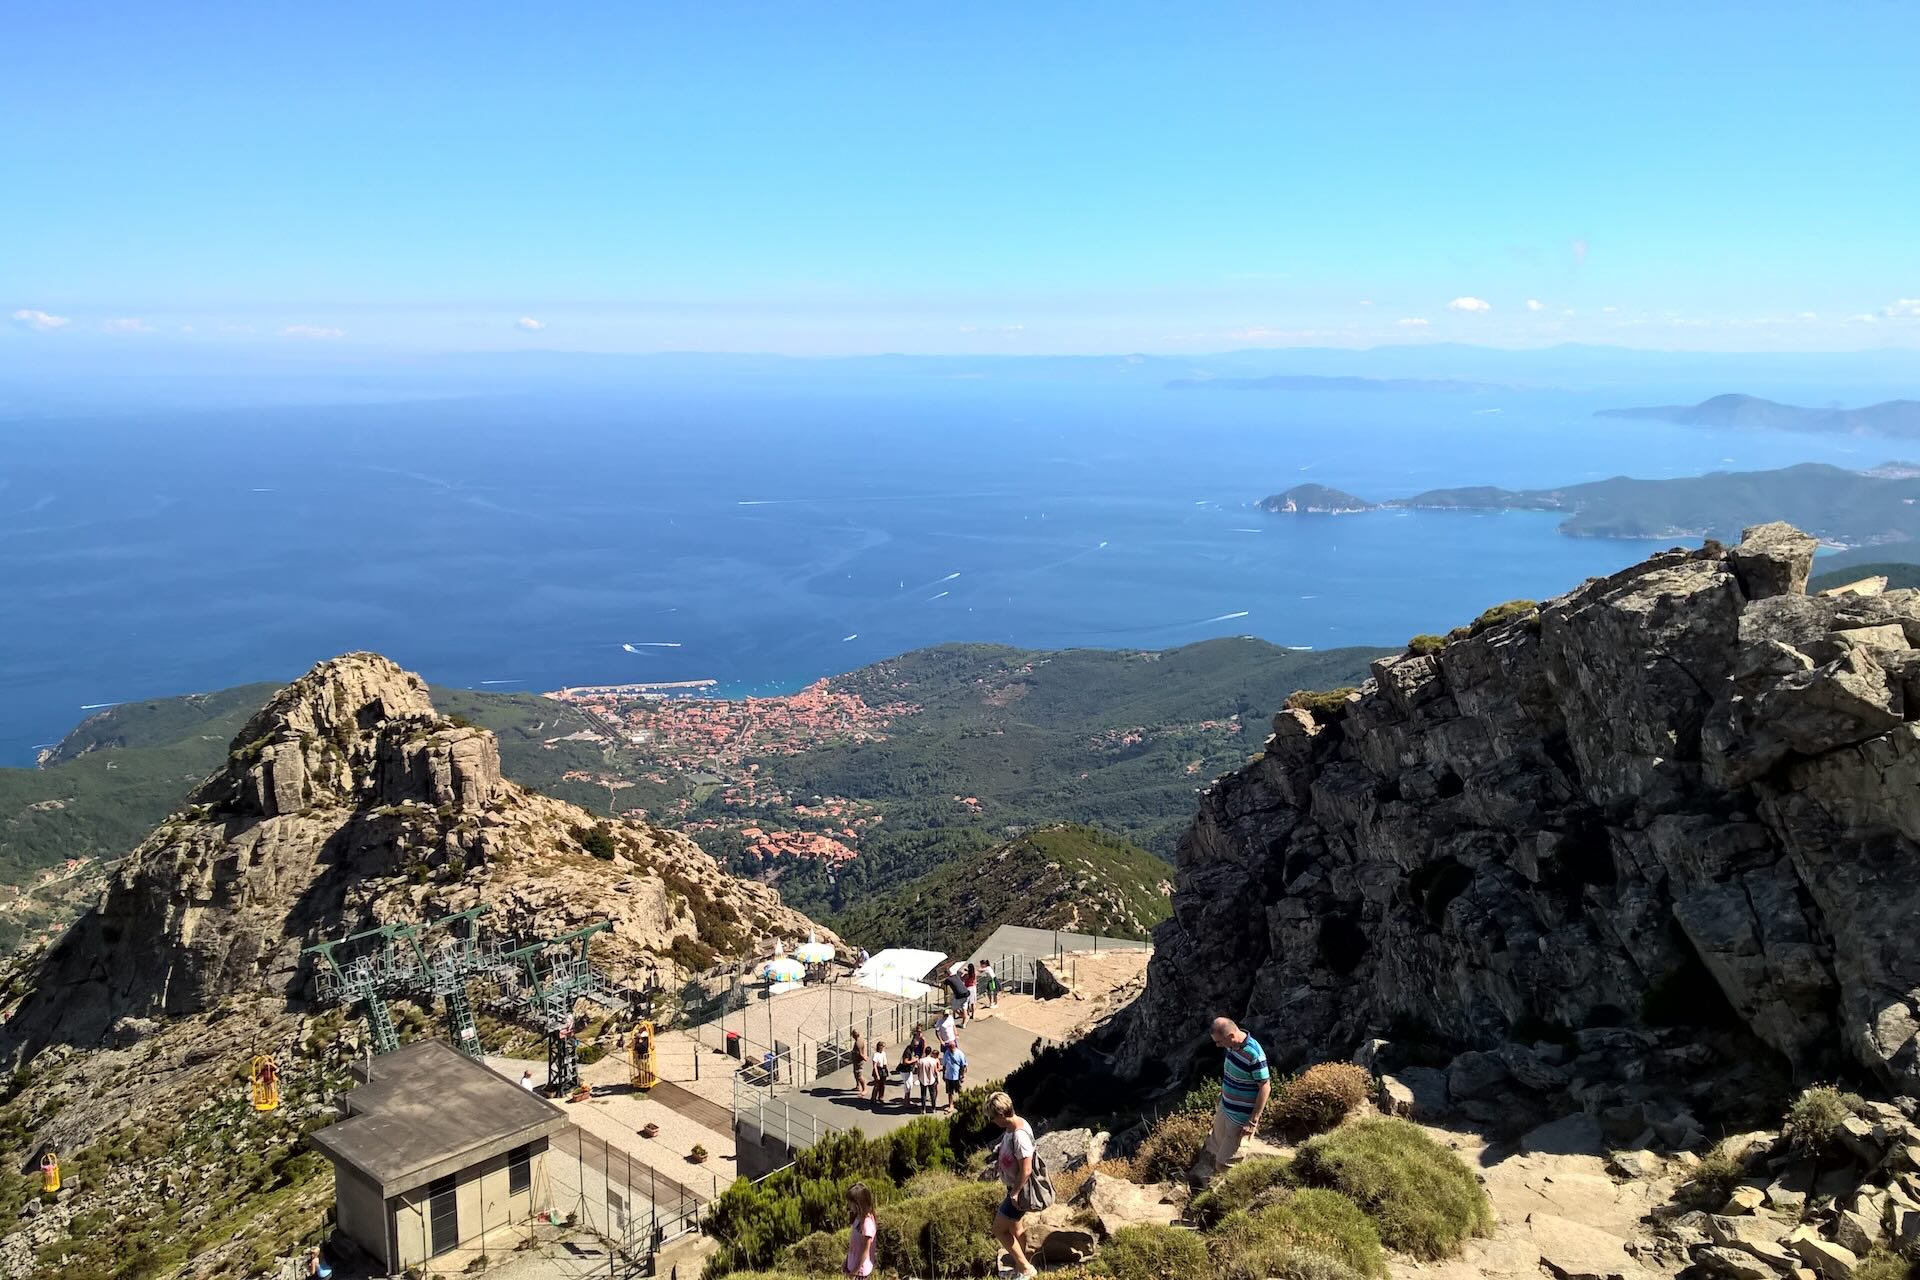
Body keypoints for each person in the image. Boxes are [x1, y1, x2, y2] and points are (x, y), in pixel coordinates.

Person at [1189, 1016, 1271, 1188]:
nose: (1217, 1046)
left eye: (1219, 1042)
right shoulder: (1232, 1047)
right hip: (1226, 1107)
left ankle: (1240, 1189)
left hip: (1240, 1118)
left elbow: (1265, 1087)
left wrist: (1253, 1120)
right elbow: (1230, 1073)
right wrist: (1222, 1093)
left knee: (1224, 1164)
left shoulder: (1254, 1054)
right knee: (1215, 1146)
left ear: (1231, 1036)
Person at [988, 1091, 1038, 1279]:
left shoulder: (1019, 1135)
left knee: (998, 1229)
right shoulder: (1014, 1126)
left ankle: (1026, 1269)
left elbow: (1026, 1169)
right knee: (1016, 1228)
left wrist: (1015, 1193)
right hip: (1013, 1188)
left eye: (992, 1117)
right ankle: (1020, 1267)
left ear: (1001, 1114)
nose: (992, 1121)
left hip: (1019, 1191)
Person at [844, 1182, 877, 1277]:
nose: (848, 1206)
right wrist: (847, 1261)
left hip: (860, 1271)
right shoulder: (858, 1217)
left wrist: (854, 1272)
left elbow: (865, 1252)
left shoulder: (867, 1224)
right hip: (852, 1266)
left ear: (858, 1204)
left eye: (850, 1203)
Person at [941, 1039, 967, 1112]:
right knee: (950, 1092)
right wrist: (943, 1074)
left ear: (953, 1047)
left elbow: (963, 1065)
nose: (948, 1048)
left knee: (959, 1091)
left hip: (956, 1076)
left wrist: (962, 1075)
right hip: (948, 1076)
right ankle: (951, 1105)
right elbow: (944, 1065)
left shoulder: (960, 1054)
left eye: (949, 1047)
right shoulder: (947, 1053)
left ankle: (962, 1103)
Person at [913, 1045, 940, 1112]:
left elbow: (918, 1070)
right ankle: (933, 1108)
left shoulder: (920, 1061)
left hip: (923, 1079)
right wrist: (937, 1078)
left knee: (923, 1094)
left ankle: (923, 1109)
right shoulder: (933, 1061)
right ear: (930, 1052)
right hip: (932, 1079)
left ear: (925, 1052)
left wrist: (919, 1077)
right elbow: (935, 1070)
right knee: (932, 1094)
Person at [869, 1039, 889, 1106]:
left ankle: (881, 1097)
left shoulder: (883, 1053)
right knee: (877, 1085)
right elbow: (874, 1066)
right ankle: (873, 1098)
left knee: (883, 1085)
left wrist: (886, 1070)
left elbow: (885, 1062)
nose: (884, 1048)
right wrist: (877, 1075)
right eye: (883, 1046)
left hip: (883, 1069)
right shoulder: (876, 1055)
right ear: (880, 1047)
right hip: (878, 1069)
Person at [849, 1030, 867, 1098]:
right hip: (856, 1060)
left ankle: (864, 1089)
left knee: (859, 1075)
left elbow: (861, 1054)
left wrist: (864, 1058)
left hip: (858, 1061)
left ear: (854, 1035)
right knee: (855, 1073)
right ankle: (858, 1086)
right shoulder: (860, 1040)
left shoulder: (857, 1043)